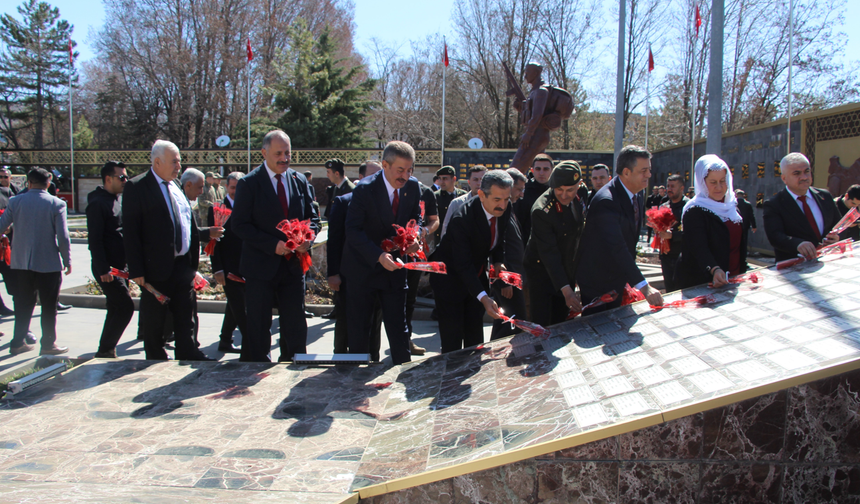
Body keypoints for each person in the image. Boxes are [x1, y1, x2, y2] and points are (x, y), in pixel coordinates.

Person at [231, 130, 320, 363]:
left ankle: (294, 366)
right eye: (278, 153)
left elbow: (313, 218)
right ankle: (257, 368)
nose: (284, 158)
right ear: (264, 152)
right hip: (260, 267)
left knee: (295, 324)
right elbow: (239, 225)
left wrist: (309, 237)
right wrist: (274, 245)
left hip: (293, 269)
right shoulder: (248, 183)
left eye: (288, 153)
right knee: (259, 326)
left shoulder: (299, 181)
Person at [123, 140, 212, 361]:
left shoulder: (176, 187)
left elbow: (186, 224)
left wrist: (193, 263)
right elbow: (131, 231)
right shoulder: (138, 187)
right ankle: (155, 357)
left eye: (179, 161)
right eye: (174, 162)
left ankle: (188, 352)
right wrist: (136, 270)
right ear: (157, 161)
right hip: (155, 268)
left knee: (186, 315)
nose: (178, 167)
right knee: (155, 320)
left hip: (182, 266)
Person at [342, 141, 421, 365]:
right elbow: (353, 230)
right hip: (364, 269)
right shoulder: (364, 189)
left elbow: (416, 218)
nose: (405, 176)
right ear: (385, 165)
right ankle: (357, 379)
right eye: (400, 170)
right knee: (360, 330)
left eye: (410, 170)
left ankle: (404, 373)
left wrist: (415, 236)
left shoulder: (413, 187)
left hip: (395, 269)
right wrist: (377, 255)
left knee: (398, 327)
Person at [576, 145, 663, 314]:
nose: (649, 175)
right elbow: (617, 246)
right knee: (599, 329)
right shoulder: (606, 201)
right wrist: (644, 287)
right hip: (598, 282)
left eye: (649, 170)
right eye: (643, 170)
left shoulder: (636, 193)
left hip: (617, 278)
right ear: (626, 172)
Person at [432, 170, 510, 352]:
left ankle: (473, 374)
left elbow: (500, 237)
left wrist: (498, 261)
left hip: (476, 277)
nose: (503, 205)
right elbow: (462, 264)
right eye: (497, 199)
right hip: (450, 281)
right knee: (452, 342)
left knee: (475, 339)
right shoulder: (462, 218)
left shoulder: (504, 208)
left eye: (506, 199)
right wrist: (484, 297)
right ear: (482, 195)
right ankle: (450, 378)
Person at [0, 168, 71, 355]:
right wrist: (67, 259)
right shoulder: (56, 204)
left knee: (23, 304)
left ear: (28, 183)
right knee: (49, 306)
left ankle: (17, 343)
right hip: (48, 264)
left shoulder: (15, 201)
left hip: (21, 263)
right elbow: (63, 236)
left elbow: (1, 226)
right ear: (48, 183)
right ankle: (48, 344)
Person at [327, 161, 384, 359]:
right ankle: (341, 358)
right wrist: (333, 273)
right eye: (374, 176)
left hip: (375, 272)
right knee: (346, 319)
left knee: (374, 320)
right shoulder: (344, 202)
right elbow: (334, 241)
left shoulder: (385, 204)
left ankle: (372, 358)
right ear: (361, 179)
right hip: (348, 274)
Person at [523, 161, 586, 326]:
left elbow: (578, 235)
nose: (564, 195)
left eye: (570, 190)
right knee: (543, 322)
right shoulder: (542, 210)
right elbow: (549, 253)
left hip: (566, 265)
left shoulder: (582, 194)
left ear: (578, 185)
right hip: (541, 270)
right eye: (559, 190)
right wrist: (566, 290)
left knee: (562, 319)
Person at [674, 155, 748, 289]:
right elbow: (698, 247)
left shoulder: (733, 206)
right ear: (702, 182)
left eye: (722, 181)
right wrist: (714, 269)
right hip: (705, 281)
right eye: (713, 182)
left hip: (734, 277)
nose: (719, 187)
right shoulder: (694, 210)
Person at [87, 161, 134, 358]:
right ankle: (106, 348)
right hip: (108, 268)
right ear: (108, 179)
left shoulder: (115, 199)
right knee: (125, 306)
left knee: (115, 306)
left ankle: (106, 348)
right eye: (121, 177)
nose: (125, 181)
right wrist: (103, 268)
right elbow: (95, 240)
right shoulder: (98, 203)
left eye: (126, 176)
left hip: (118, 266)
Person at [764, 152, 841, 263]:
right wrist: (797, 244)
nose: (804, 177)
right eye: (797, 173)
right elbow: (775, 236)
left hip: (828, 262)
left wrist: (836, 237)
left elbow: (838, 226)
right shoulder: (774, 204)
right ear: (784, 178)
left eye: (807, 171)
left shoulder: (825, 196)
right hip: (795, 268)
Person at [489, 168, 528, 340]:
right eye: (519, 189)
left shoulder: (509, 208)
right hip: (506, 278)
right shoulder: (498, 210)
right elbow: (499, 247)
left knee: (503, 320)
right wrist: (506, 280)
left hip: (512, 276)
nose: (521, 194)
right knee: (516, 320)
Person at [210, 171, 245, 354]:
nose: (236, 192)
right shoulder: (217, 209)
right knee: (240, 306)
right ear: (227, 187)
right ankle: (249, 342)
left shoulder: (248, 205)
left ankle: (225, 341)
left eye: (240, 188)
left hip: (246, 265)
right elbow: (213, 243)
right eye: (233, 188)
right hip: (228, 267)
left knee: (234, 305)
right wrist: (217, 269)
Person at [404, 170, 438, 355]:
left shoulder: (425, 192)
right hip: (390, 252)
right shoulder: (391, 188)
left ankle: (406, 339)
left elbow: (434, 220)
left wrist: (423, 231)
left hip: (415, 252)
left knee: (409, 297)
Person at [656, 175, 690, 293]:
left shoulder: (689, 206)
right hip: (666, 256)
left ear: (682, 188)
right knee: (669, 290)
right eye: (668, 186)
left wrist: (673, 236)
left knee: (682, 290)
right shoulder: (663, 206)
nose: (669, 189)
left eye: (673, 186)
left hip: (683, 256)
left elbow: (693, 234)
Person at [515, 154, 553, 245]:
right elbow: (518, 223)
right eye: (538, 169)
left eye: (546, 169)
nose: (541, 173)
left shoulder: (557, 191)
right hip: (527, 245)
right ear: (532, 170)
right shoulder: (523, 192)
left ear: (552, 171)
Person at [441, 165, 487, 238]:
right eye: (475, 180)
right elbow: (446, 230)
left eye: (482, 180)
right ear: (469, 182)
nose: (479, 183)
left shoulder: (493, 204)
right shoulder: (457, 203)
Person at [432, 166, 466, 247]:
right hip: (442, 239)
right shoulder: (435, 196)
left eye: (445, 179)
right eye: (439, 179)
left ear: (454, 179)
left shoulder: (463, 195)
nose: (441, 182)